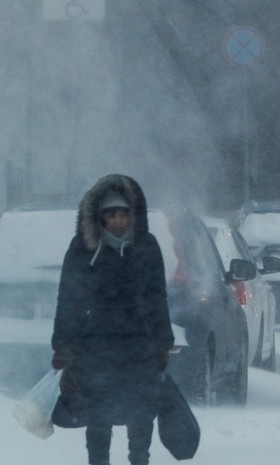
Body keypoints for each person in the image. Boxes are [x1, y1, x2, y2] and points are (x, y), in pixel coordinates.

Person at [51, 174, 174, 465]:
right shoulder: (84, 249)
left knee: (141, 412)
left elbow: (157, 296)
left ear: (133, 215)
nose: (117, 220)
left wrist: (163, 341)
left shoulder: (147, 246)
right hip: (96, 346)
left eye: (123, 214)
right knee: (99, 415)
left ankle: (139, 460)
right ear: (100, 217)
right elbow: (68, 298)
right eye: (111, 215)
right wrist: (62, 345)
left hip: (140, 345)